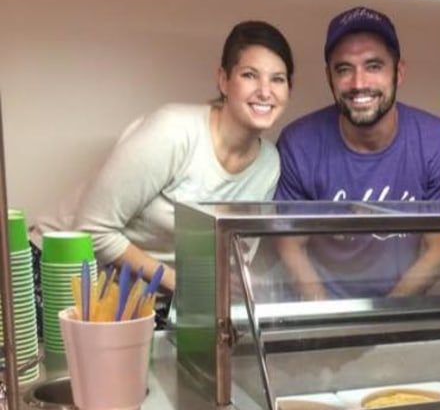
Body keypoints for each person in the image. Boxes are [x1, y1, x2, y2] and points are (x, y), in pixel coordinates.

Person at [33, 19, 294, 304]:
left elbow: (230, 260)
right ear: (223, 80)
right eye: (249, 75)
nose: (265, 91)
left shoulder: (269, 164)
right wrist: (181, 284)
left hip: (138, 296)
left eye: (277, 79)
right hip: (55, 269)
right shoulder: (174, 131)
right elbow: (92, 230)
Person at [273, 6, 440, 300]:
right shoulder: (298, 143)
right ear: (329, 76)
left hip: (399, 308)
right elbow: (291, 247)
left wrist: (381, 319)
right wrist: (327, 319)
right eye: (344, 69)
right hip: (319, 311)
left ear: (398, 72)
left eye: (374, 66)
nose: (358, 83)